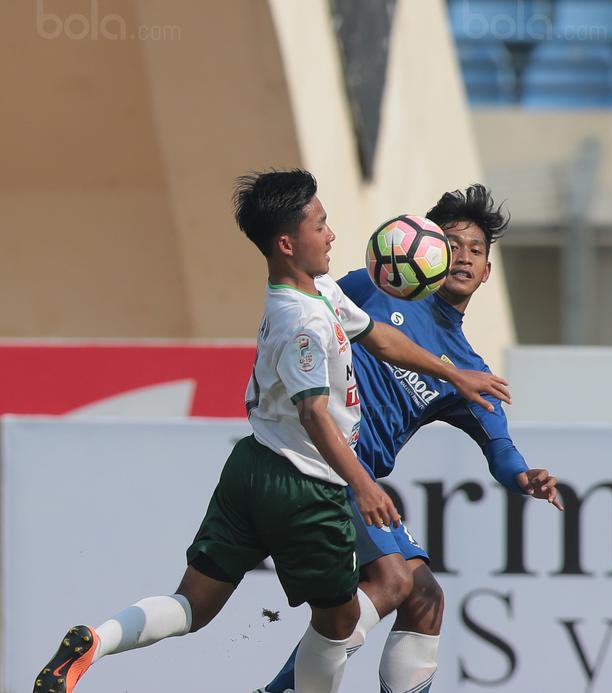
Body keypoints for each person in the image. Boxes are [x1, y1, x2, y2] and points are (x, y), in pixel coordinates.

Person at [33, 172, 511, 693]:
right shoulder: (303, 320)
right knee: (341, 623)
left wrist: (453, 373)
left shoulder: (321, 291)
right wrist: (365, 483)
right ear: (287, 243)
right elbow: (313, 415)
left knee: (192, 605)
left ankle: (93, 642)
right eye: (322, 225)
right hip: (306, 486)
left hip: (251, 467)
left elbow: (380, 339)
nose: (332, 235)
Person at [258, 184, 563, 693]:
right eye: (453, 243)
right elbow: (296, 316)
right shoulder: (371, 289)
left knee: (424, 598)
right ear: (428, 250)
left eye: (477, 250)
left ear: (487, 272)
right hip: (323, 464)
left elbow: (500, 450)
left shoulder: (470, 371)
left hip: (359, 483)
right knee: (394, 582)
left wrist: (524, 477)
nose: (464, 256)